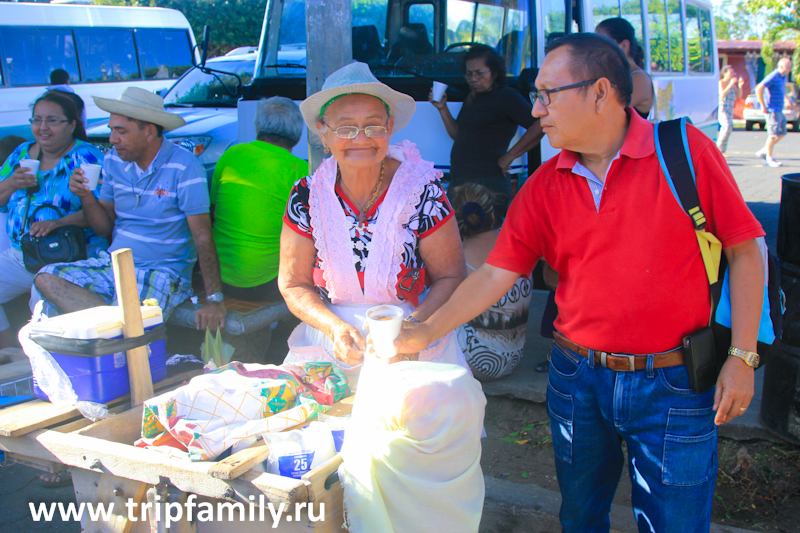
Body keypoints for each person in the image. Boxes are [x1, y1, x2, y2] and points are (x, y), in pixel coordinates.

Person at [396, 33, 765, 532]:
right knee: (581, 516)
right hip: (576, 380)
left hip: (674, 382)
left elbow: (746, 250)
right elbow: (491, 277)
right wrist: (423, 332)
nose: (536, 109)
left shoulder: (683, 152)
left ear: (600, 92)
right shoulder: (545, 185)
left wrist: (743, 357)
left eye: (548, 94)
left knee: (676, 523)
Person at [280, 61, 469, 371]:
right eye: (345, 127)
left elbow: (451, 276)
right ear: (323, 133)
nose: (361, 138)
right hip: (331, 345)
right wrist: (334, 328)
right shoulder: (305, 196)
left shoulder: (423, 190)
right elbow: (293, 284)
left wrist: (410, 329)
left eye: (373, 125)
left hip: (411, 342)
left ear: (389, 127)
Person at [34, 87, 227, 332]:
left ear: (148, 132)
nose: (113, 139)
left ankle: (117, 331)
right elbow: (104, 226)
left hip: (162, 272)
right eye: (112, 130)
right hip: (113, 264)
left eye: (121, 131)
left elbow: (202, 236)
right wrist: (85, 196)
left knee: (128, 322)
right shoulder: (114, 160)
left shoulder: (184, 165)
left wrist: (214, 299)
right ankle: (117, 327)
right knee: (47, 277)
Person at [0, 92, 105, 350]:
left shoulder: (87, 157)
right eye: (36, 120)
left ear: (71, 124)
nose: (42, 127)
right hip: (24, 253)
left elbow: (103, 213)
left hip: (73, 256)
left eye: (52, 120)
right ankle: (8, 354)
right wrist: (13, 182)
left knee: (44, 306)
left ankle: (52, 368)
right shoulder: (21, 154)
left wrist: (60, 223)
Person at [211, 96, 307, 302]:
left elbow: (213, 209)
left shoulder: (231, 154)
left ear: (256, 127)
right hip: (267, 283)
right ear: (298, 136)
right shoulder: (300, 170)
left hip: (219, 276)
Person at [430, 44, 543, 216]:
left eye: (480, 73)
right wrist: (441, 108)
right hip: (459, 181)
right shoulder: (472, 98)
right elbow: (458, 134)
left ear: (495, 72)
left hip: (488, 183)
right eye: (469, 74)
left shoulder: (507, 96)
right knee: (459, 240)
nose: (473, 79)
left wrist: (509, 156)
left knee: (487, 238)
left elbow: (539, 125)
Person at [449, 183, 532, 380]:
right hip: (514, 356)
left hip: (478, 361)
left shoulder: (458, 256)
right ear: (492, 216)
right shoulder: (516, 244)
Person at [595, 17, 654, 119]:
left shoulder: (639, 78)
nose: (596, 49)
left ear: (624, 45)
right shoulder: (613, 75)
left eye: (603, 43)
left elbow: (604, 111)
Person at [756, 57, 792, 167]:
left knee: (782, 132)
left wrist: (786, 99)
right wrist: (762, 105)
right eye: (788, 67)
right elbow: (759, 88)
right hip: (772, 109)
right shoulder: (773, 76)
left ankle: (764, 151)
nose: (789, 69)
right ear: (781, 66)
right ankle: (769, 158)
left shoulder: (783, 77)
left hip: (779, 109)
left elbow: (781, 90)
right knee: (772, 134)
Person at [717, 65, 744, 156]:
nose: (733, 74)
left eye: (733, 72)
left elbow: (739, 95)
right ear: (725, 73)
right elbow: (722, 94)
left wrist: (740, 86)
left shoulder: (732, 84)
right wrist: (730, 84)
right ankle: (718, 148)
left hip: (730, 109)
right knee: (726, 126)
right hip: (723, 108)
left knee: (728, 128)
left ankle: (722, 150)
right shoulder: (721, 82)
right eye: (731, 72)